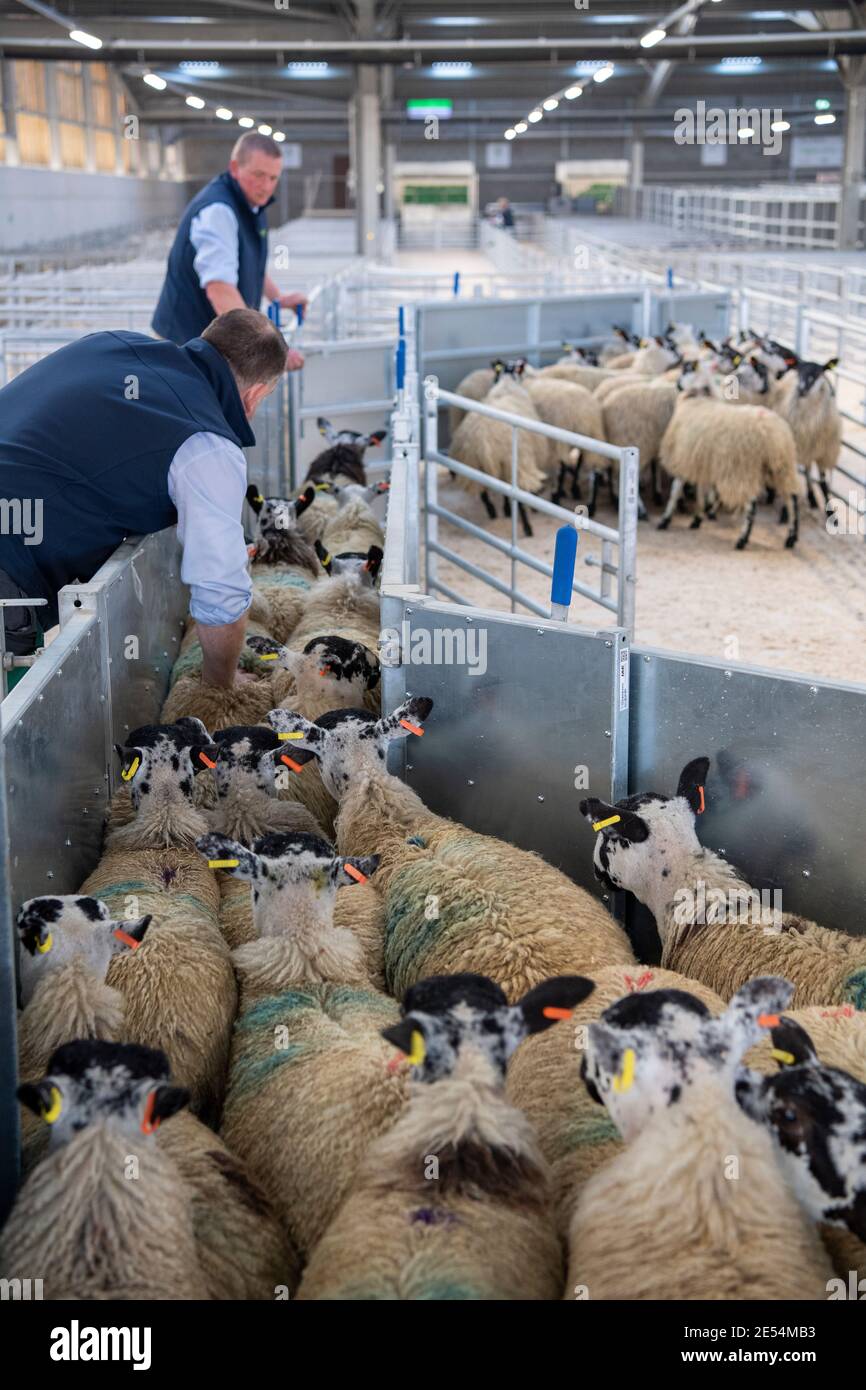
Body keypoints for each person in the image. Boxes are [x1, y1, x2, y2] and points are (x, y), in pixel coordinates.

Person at [0, 309, 289, 689]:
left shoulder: (110, 342)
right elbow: (221, 592)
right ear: (254, 396)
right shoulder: (206, 444)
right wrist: (219, 686)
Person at [152, 130, 306, 364]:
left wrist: (278, 298)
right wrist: (267, 355)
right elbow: (220, 288)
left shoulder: (252, 203)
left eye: (273, 178)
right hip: (186, 345)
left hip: (212, 340)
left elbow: (249, 263)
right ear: (234, 168)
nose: (266, 186)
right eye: (258, 175)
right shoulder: (218, 212)